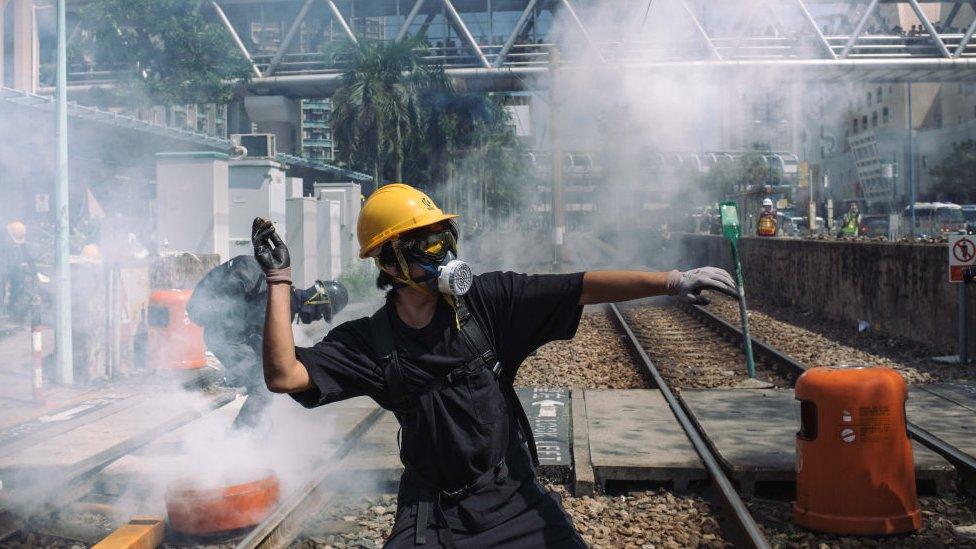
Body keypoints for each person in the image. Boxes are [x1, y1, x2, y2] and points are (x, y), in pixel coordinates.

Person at [254, 184, 738, 548]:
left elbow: (582, 286)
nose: (443, 252)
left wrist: (672, 280)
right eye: (425, 244)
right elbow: (284, 376)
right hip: (433, 512)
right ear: (390, 264)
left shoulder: (490, 302)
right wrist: (280, 281)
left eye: (444, 237)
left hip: (510, 494)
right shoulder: (370, 341)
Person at [186, 254, 348, 429]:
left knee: (266, 385)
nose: (317, 318)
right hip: (227, 338)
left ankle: (258, 428)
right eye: (322, 312)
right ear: (318, 299)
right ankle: (238, 437)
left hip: (230, 337)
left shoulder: (286, 303)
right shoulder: (284, 302)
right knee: (262, 390)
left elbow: (264, 340)